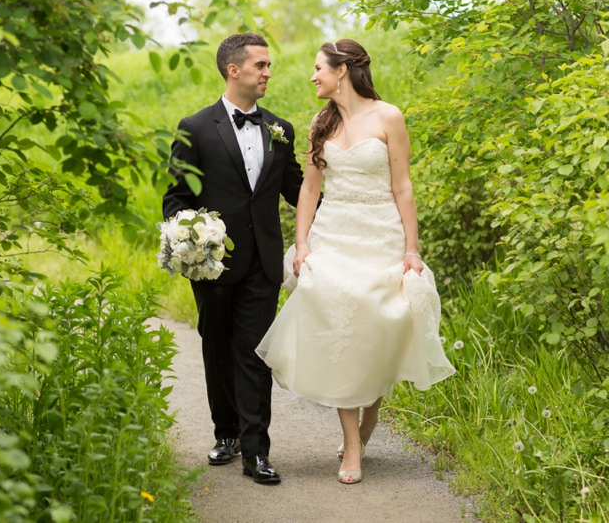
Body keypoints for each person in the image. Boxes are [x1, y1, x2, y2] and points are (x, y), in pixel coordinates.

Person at [255, 39, 456, 485]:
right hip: (332, 237)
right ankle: (352, 446)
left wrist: (411, 249)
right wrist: (302, 243)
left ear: (341, 71)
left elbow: (403, 187)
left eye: (318, 69)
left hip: (380, 234)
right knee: (337, 328)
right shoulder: (320, 124)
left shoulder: (389, 117)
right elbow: (308, 190)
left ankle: (370, 416)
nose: (313, 77)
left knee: (381, 325)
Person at [163, 33, 305, 484]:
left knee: (254, 354)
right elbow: (177, 198)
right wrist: (191, 238)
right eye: (261, 65)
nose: (268, 72)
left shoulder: (280, 129)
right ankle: (225, 433)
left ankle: (256, 452)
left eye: (268, 65)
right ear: (234, 70)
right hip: (212, 264)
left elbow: (299, 191)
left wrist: (339, 216)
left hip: (263, 262)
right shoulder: (196, 127)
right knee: (217, 347)